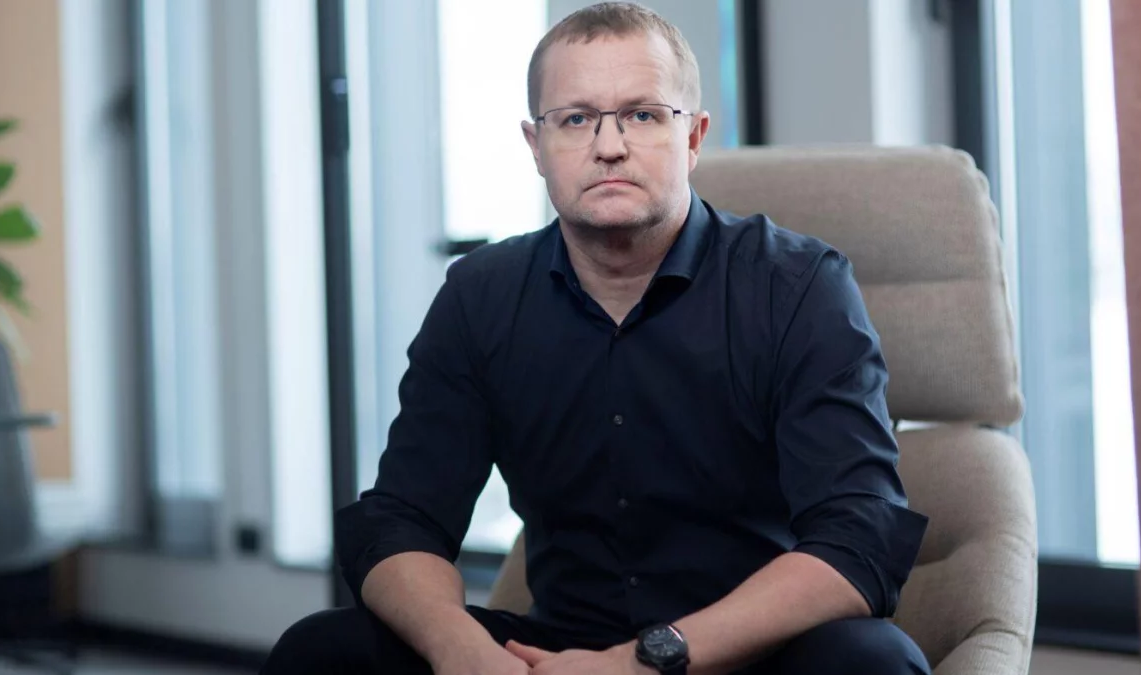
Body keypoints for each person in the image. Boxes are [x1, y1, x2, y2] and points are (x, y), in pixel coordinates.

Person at [263, 3, 930, 674]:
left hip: (748, 652)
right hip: (555, 650)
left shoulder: (797, 287)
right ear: (536, 146)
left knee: (872, 662)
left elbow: (859, 538)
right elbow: (401, 519)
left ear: (693, 136)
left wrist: (641, 662)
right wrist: (459, 649)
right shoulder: (481, 296)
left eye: (642, 114)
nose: (609, 146)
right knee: (322, 650)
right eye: (576, 119)